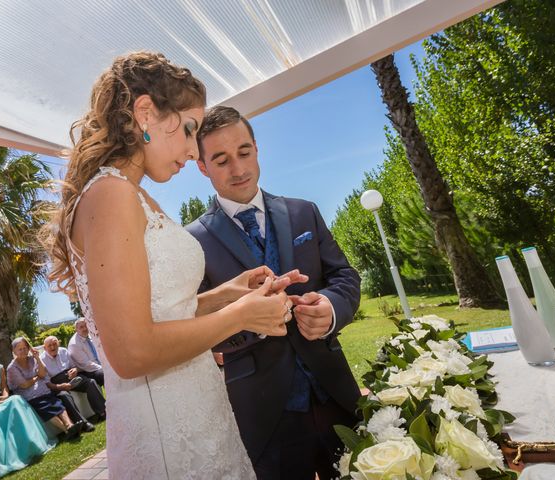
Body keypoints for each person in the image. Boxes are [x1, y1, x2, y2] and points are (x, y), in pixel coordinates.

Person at [41, 51, 304, 479]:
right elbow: (132, 351)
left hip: (197, 411)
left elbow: (159, 313)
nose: (190, 148)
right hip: (166, 435)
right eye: (187, 130)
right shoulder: (111, 195)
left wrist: (226, 294)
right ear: (145, 113)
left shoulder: (134, 193)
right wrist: (241, 315)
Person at [186, 106, 362, 480]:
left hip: (337, 393)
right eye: (221, 160)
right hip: (263, 413)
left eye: (245, 152)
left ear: (256, 149)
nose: (239, 168)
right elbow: (196, 326)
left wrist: (330, 308)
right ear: (202, 167)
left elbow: (344, 276)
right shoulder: (191, 242)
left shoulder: (304, 212)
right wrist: (253, 321)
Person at [0, 340, 55, 477]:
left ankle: (29, 447)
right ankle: (5, 460)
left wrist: (4, 397)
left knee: (16, 400)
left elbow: (5, 389)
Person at [6, 337, 81, 441]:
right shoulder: (12, 368)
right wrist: (37, 377)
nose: (23, 351)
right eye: (20, 349)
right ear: (14, 351)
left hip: (43, 391)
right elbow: (25, 385)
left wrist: (37, 358)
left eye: (25, 348)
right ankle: (67, 430)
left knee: (57, 403)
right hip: (29, 397)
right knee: (46, 407)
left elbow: (42, 373)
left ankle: (70, 425)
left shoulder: (33, 359)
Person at [42, 335, 106, 422]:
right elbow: (47, 382)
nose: (53, 347)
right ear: (44, 347)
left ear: (58, 343)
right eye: (49, 345)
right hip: (57, 382)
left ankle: (103, 412)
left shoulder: (63, 351)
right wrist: (60, 386)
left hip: (71, 376)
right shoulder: (41, 359)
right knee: (64, 395)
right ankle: (82, 423)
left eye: (55, 343)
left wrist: (75, 370)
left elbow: (74, 366)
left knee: (90, 382)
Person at [67, 318, 104, 387]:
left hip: (96, 366)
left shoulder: (90, 336)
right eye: (81, 327)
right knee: (104, 374)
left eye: (86, 325)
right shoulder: (74, 344)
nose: (85, 329)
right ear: (76, 329)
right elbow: (86, 365)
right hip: (86, 371)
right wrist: (103, 368)